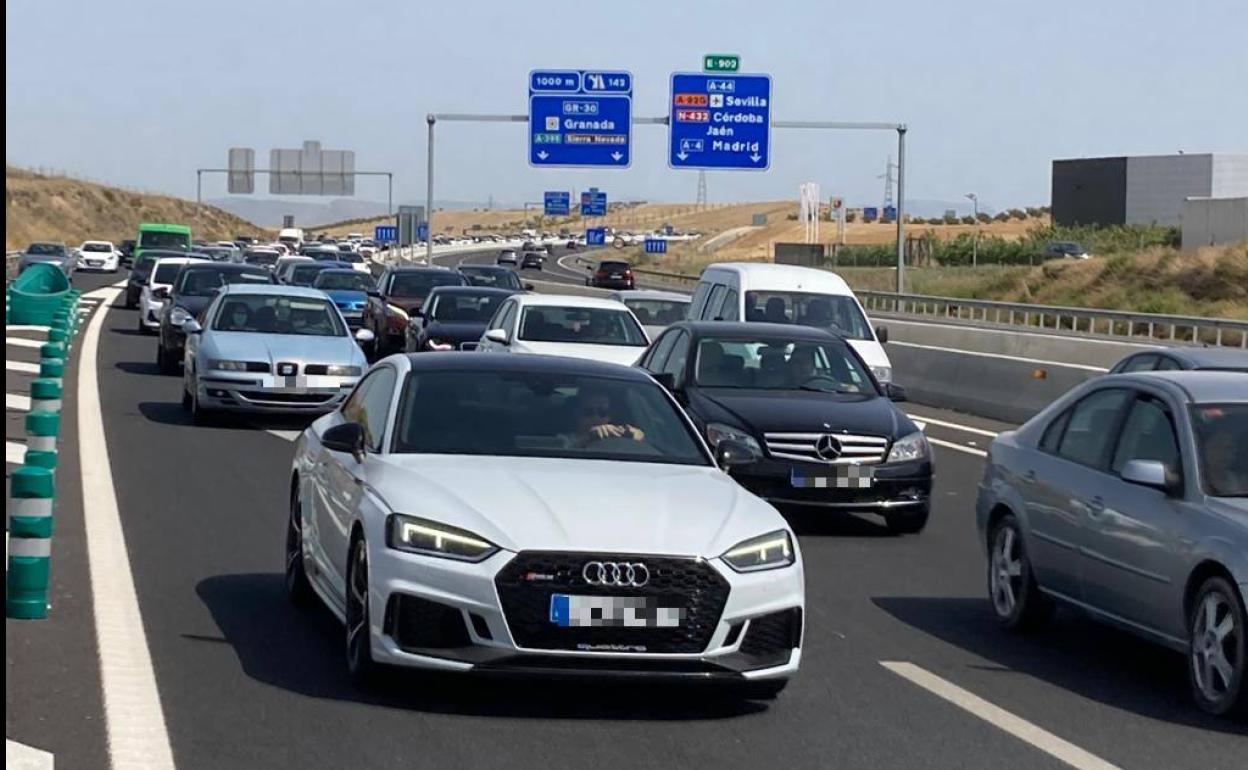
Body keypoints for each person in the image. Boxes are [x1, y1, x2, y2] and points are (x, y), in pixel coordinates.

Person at [568, 385, 644, 447]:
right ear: (577, 415)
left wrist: (637, 435)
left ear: (609, 416)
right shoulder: (563, 440)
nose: (596, 418)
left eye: (602, 412)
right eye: (588, 412)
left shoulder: (618, 435)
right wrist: (588, 437)